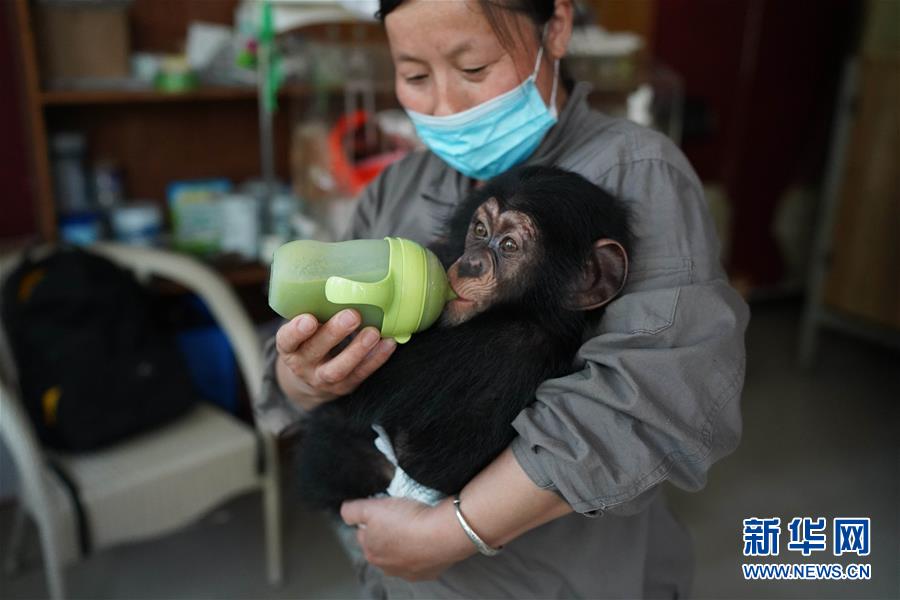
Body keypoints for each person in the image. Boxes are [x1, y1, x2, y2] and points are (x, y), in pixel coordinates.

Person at [256, 0, 749, 597]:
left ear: (557, 28)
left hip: (556, 580)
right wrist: (308, 374)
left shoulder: (637, 174)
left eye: (472, 68)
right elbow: (299, 377)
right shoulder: (402, 185)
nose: (444, 104)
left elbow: (658, 395)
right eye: (414, 75)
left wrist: (452, 531)